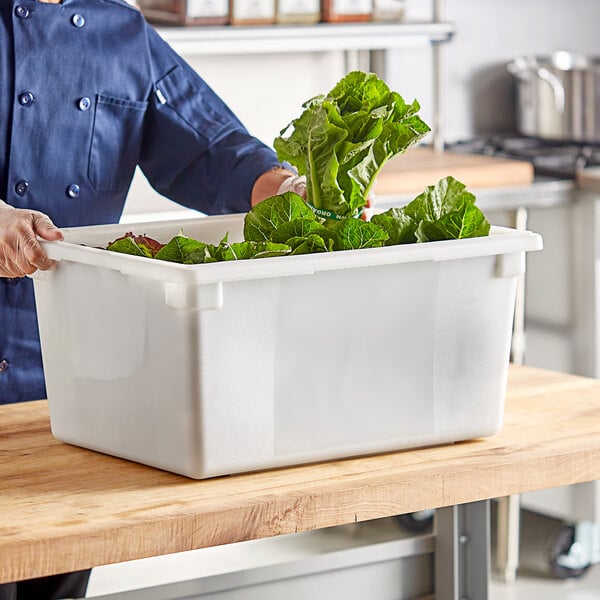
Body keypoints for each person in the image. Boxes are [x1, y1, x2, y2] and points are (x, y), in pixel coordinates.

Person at [0, 0, 300, 597]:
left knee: (57, 577)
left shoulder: (122, 33)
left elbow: (210, 148)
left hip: (63, 377)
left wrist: (282, 188)